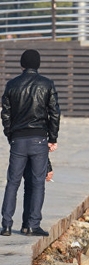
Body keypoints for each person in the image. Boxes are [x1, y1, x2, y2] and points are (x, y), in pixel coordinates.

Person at [1, 49, 61, 237]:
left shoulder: (12, 85)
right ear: (38, 65)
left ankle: (6, 225)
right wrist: (52, 138)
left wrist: (11, 135)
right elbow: (54, 113)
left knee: (13, 182)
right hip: (38, 139)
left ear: (22, 64)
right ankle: (31, 225)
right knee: (37, 183)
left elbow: (5, 114)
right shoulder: (47, 84)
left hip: (18, 140)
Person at [22, 158, 53, 234]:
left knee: (27, 187)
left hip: (20, 154)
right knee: (37, 187)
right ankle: (33, 225)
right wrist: (48, 167)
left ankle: (25, 224)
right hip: (38, 155)